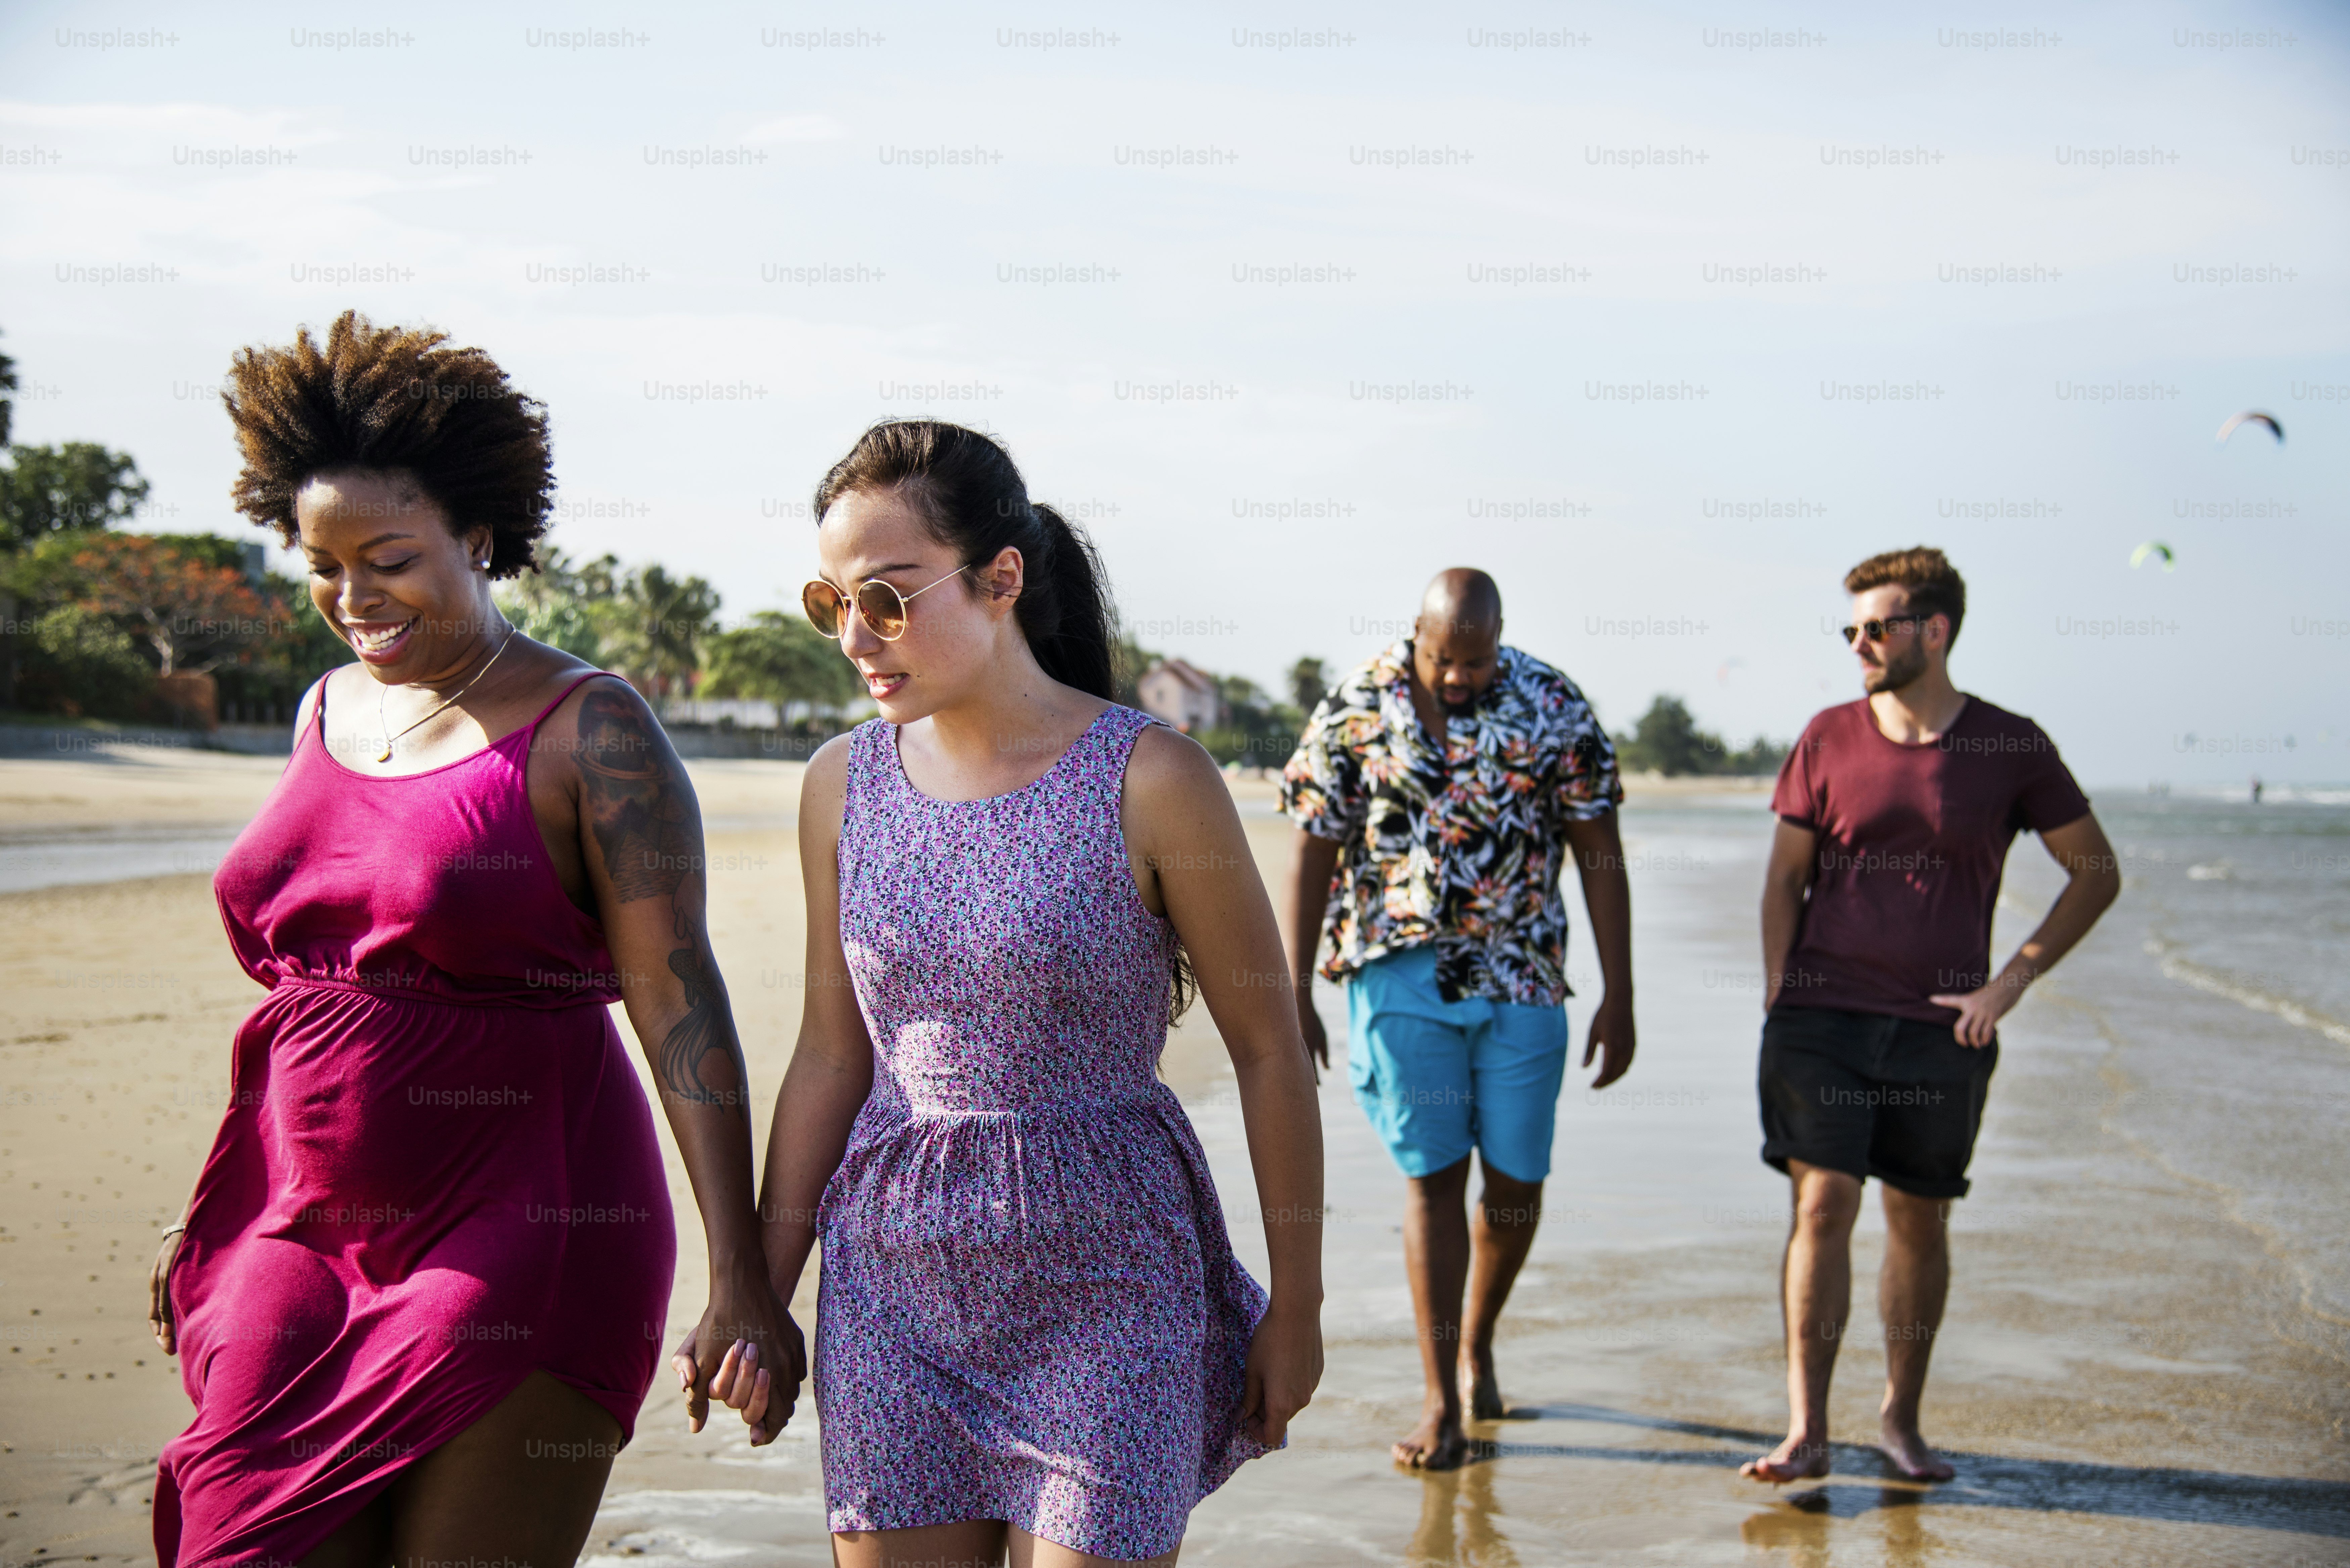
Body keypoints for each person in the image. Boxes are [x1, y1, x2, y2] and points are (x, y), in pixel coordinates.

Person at [149, 311, 792, 1568]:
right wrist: (221, 1206)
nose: (351, 598)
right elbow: (317, 998)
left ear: (479, 534)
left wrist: (743, 1275)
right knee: (241, 1535)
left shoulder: (591, 728)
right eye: (322, 565)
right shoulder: (321, 707)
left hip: (529, 1206)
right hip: (302, 1214)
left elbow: (680, 1000)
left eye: (386, 558)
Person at [755, 420, 1325, 1566]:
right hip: (894, 1291)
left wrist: (1298, 1308)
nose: (857, 636)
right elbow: (831, 1053)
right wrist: (760, 1295)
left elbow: (1268, 1048)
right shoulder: (840, 786)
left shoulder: (1154, 777)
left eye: (889, 597)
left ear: (1001, 579)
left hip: (1113, 1288)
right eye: (833, 605)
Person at [1743, 546, 2120, 1485]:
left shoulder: (2009, 744)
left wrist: (2012, 983)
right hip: (1821, 1016)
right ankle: (1806, 1429)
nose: (1860, 643)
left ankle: (1900, 1423)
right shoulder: (1827, 736)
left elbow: (2097, 872)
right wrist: (1778, 992)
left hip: (1942, 1029)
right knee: (1823, 1203)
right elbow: (1786, 879)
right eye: (1852, 629)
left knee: (1919, 1221)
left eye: (1878, 627)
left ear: (1936, 630)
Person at [1280, 569, 1634, 1471]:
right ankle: (1442, 1399)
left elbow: (1599, 849)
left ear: (1501, 640)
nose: (1460, 679)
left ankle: (1477, 1341)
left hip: (1520, 969)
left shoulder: (1552, 703)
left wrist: (1621, 993)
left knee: (1516, 1181)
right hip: (1402, 968)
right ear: (1418, 634)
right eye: (1445, 659)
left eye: (1476, 663)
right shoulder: (1359, 703)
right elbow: (1314, 842)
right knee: (1434, 1179)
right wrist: (1293, 990)